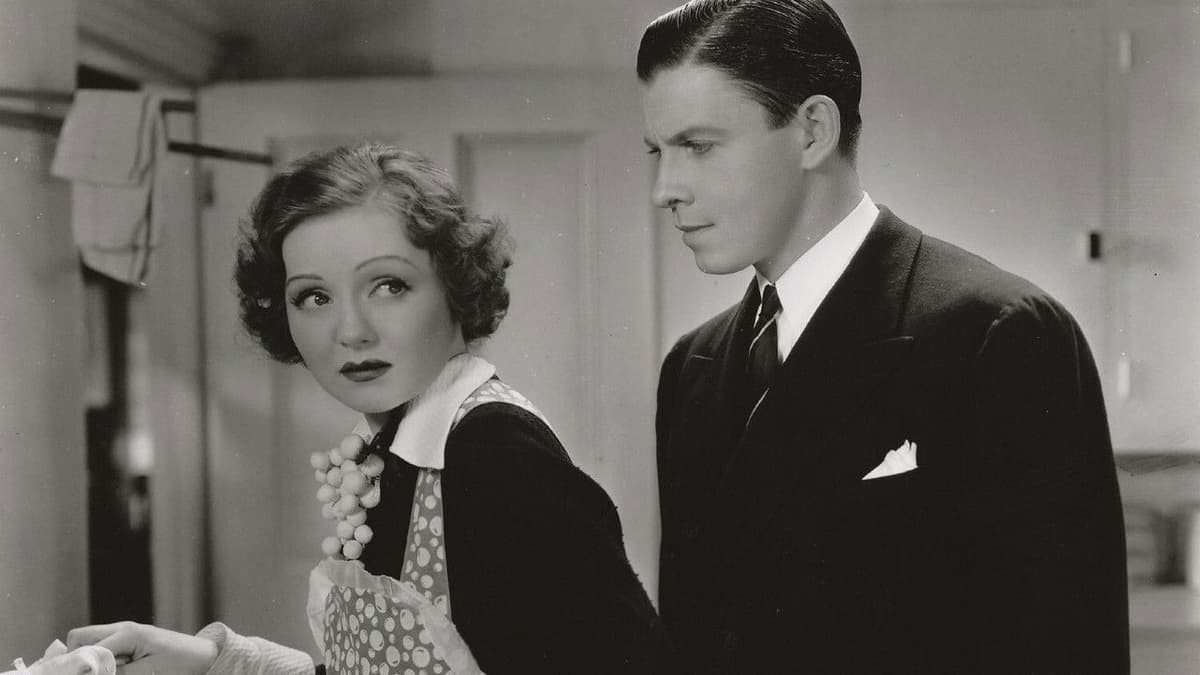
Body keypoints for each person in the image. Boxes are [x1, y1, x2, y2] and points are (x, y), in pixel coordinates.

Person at [640, 1, 1129, 672]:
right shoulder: (692, 366)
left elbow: (1064, 650)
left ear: (813, 130)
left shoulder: (999, 335)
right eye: (658, 151)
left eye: (698, 146)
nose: (664, 189)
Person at [67, 143, 673, 674]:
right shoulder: (396, 448)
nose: (350, 331)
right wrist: (210, 662)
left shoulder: (492, 450)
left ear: (457, 287)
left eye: (388, 286)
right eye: (314, 297)